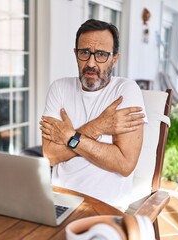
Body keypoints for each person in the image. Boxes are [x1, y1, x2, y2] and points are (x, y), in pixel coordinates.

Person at [39, 19, 147, 211]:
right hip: (57, 199)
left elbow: (124, 164)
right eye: (84, 53)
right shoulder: (59, 88)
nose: (91, 63)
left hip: (105, 207)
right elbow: (50, 156)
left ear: (115, 58)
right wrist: (98, 126)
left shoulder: (126, 91)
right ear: (76, 54)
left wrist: (69, 137)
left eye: (101, 55)